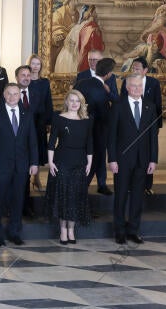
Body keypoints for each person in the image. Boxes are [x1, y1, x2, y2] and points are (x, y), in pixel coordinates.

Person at [0, 83, 38, 246]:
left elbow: (32, 142)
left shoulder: (27, 115)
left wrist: (34, 162)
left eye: (16, 94)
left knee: (18, 200)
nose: (13, 97)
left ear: (20, 96)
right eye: (10, 94)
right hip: (0, 165)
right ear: (4, 95)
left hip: (21, 165)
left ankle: (14, 232)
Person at [108, 73, 158, 245]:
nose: (138, 89)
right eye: (134, 86)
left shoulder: (150, 107)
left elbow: (153, 136)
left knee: (137, 197)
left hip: (143, 161)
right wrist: (112, 159)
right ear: (127, 87)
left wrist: (153, 160)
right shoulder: (118, 106)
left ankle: (133, 230)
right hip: (122, 161)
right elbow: (111, 136)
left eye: (140, 86)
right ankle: (120, 231)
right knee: (121, 196)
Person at [45, 90, 93, 245]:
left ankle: (71, 229)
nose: (74, 103)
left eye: (77, 101)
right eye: (71, 100)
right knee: (63, 197)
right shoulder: (58, 118)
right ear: (66, 102)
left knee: (75, 197)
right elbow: (52, 142)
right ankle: (63, 230)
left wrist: (90, 163)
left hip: (79, 162)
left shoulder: (87, 120)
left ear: (81, 103)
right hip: (61, 161)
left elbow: (90, 144)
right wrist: (50, 162)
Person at [120, 57, 162, 195]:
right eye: (133, 68)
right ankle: (131, 185)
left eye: (137, 68)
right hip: (131, 126)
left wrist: (157, 127)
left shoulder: (153, 83)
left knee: (148, 155)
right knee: (132, 155)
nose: (134, 70)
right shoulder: (126, 83)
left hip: (148, 126)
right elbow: (122, 105)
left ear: (145, 70)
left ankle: (147, 186)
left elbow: (158, 106)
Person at [75, 57, 115, 195]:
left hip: (78, 130)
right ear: (109, 74)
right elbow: (104, 115)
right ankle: (80, 195)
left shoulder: (80, 83)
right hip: (97, 132)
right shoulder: (102, 89)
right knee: (94, 162)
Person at [15, 65, 47, 217]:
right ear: (17, 77)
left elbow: (41, 115)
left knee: (26, 176)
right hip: (14, 143)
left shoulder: (36, 93)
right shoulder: (11, 94)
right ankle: (12, 207)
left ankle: (25, 207)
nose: (26, 77)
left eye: (28, 75)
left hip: (31, 142)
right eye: (23, 75)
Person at [27, 54, 53, 191]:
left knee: (37, 149)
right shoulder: (24, 81)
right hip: (27, 120)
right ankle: (27, 179)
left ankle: (36, 179)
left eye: (38, 64)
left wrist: (49, 122)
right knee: (27, 148)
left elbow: (48, 102)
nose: (35, 66)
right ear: (29, 64)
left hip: (40, 120)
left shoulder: (45, 82)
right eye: (33, 63)